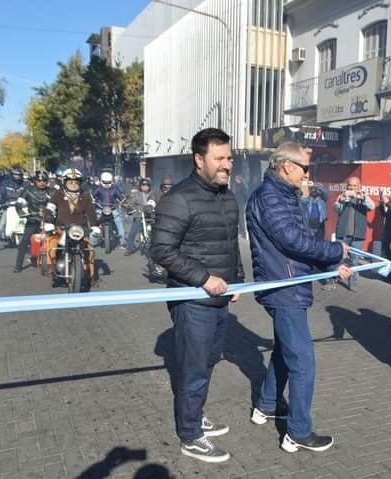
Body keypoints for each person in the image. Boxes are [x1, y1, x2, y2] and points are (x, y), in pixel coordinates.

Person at [246, 141, 352, 454]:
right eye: (305, 168)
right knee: (303, 362)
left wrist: (332, 265)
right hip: (283, 287)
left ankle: (265, 407)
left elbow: (300, 240)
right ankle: (297, 432)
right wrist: (334, 251)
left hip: (288, 283)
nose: (308, 174)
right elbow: (292, 241)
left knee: (284, 350)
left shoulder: (282, 195)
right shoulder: (270, 196)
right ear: (287, 166)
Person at [150, 128, 244, 464]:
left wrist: (238, 282)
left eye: (229, 158)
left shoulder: (226, 196)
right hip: (192, 300)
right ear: (199, 159)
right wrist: (204, 278)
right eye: (219, 158)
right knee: (193, 368)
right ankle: (190, 435)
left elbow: (230, 244)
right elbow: (161, 250)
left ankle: (195, 415)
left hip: (220, 298)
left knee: (207, 362)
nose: (227, 165)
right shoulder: (179, 198)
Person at [44, 169, 101, 278]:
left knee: (89, 248)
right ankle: (51, 267)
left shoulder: (86, 196)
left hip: (80, 230)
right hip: (61, 228)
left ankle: (91, 275)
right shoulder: (57, 194)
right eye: (71, 182)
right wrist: (48, 221)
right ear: (64, 183)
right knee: (52, 241)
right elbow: (50, 209)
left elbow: (91, 212)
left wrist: (94, 226)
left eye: (76, 182)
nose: (74, 185)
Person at [333, 176, 374, 289]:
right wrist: (341, 201)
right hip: (342, 233)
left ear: (359, 186)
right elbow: (336, 209)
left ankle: (352, 283)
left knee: (354, 261)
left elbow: (372, 206)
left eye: (355, 186)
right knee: (337, 258)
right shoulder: (343, 196)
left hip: (357, 235)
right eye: (350, 186)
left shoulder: (363, 197)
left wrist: (362, 197)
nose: (352, 188)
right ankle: (332, 280)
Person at [13, 171, 51, 273]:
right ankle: (18, 265)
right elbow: (19, 204)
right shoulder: (28, 190)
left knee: (56, 240)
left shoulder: (51, 191)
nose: (42, 182)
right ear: (34, 181)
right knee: (24, 241)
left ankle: (56, 264)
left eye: (44, 180)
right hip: (33, 220)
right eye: (39, 180)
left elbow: (58, 204)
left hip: (48, 221)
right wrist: (23, 214)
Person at [0, 167, 26, 253]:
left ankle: (27, 243)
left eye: (18, 175)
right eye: (15, 175)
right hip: (8, 205)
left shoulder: (25, 184)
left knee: (26, 221)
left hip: (21, 206)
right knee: (1, 224)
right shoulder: (6, 183)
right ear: (12, 175)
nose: (17, 176)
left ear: (21, 176)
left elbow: (28, 193)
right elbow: (0, 193)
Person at [93, 171, 127, 249]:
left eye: (109, 182)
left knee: (119, 222)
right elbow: (93, 196)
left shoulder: (115, 188)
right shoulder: (98, 188)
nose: (107, 183)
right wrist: (92, 200)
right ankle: (93, 241)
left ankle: (122, 242)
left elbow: (121, 197)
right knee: (94, 222)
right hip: (100, 208)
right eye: (105, 182)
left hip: (112, 208)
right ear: (101, 181)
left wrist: (123, 200)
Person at [124, 178, 154, 255]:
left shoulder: (153, 194)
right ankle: (129, 249)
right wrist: (131, 209)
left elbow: (157, 201)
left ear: (149, 186)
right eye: (143, 185)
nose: (145, 186)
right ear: (140, 186)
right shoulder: (136, 195)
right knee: (132, 233)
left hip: (151, 216)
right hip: (139, 215)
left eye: (147, 185)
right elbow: (130, 203)